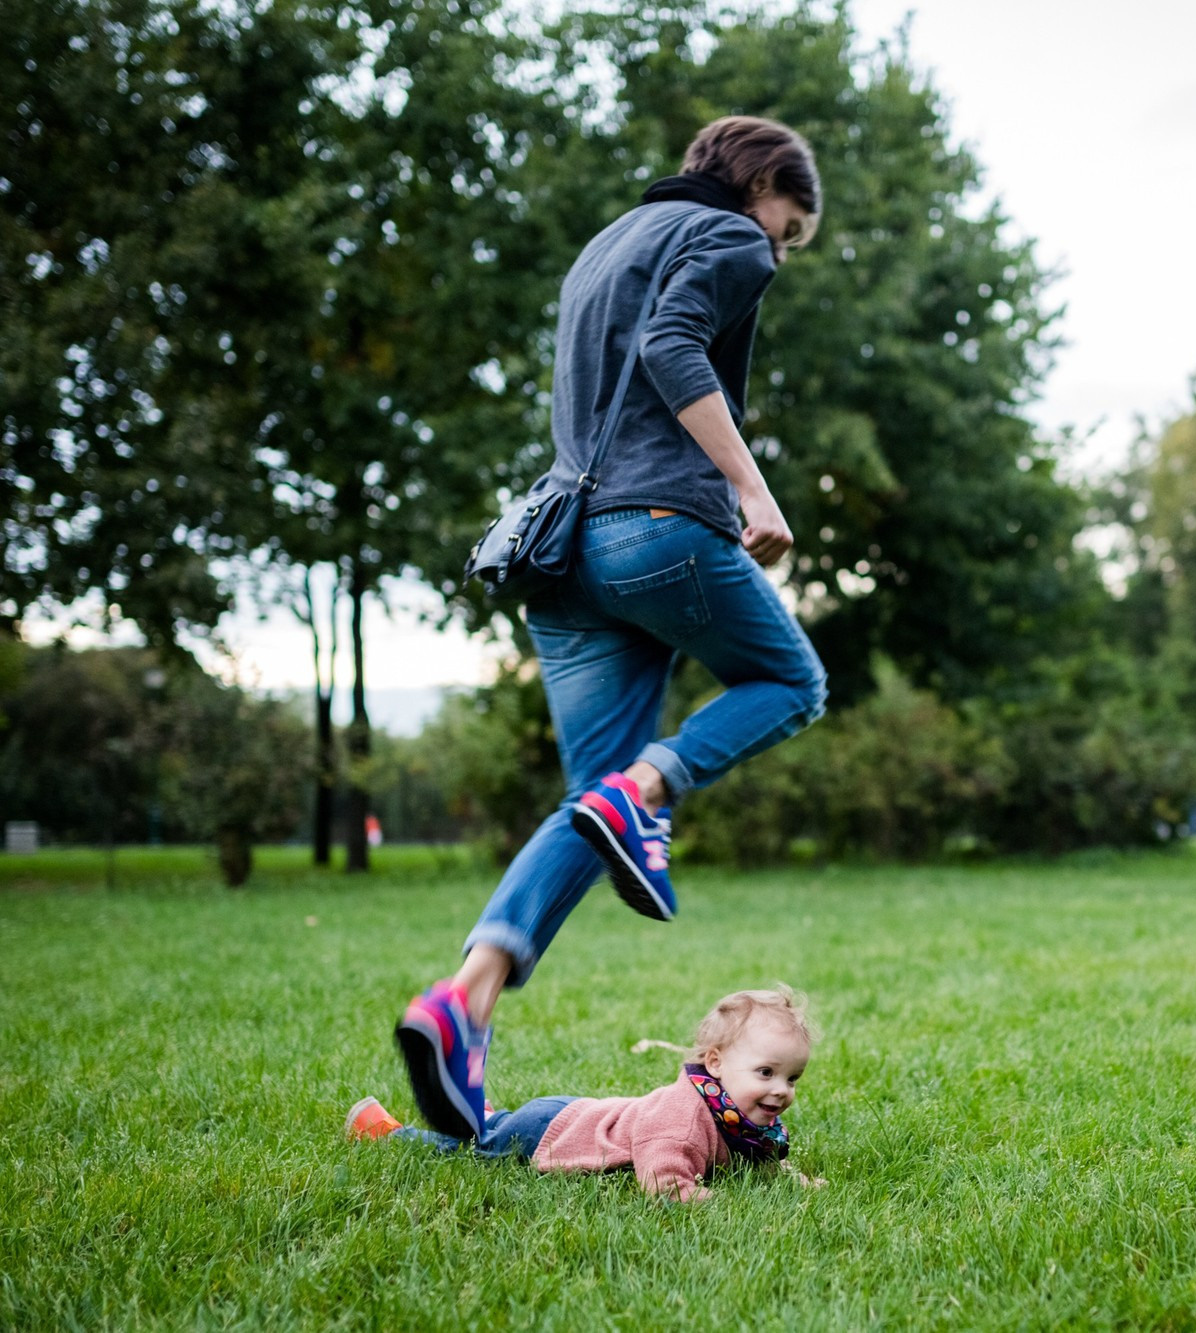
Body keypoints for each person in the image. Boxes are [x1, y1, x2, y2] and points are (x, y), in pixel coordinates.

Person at [396, 116, 828, 1142]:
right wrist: (749, 484)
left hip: (560, 549)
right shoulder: (727, 239)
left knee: (590, 814)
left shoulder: (606, 244)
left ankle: (465, 1000)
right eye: (791, 226)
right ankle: (649, 789)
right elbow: (672, 348)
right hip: (655, 529)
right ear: (763, 185)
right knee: (789, 683)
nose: (780, 251)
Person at [354, 989, 821, 1201]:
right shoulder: (683, 1118)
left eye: (791, 1078)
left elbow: (756, 1154)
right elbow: (662, 1180)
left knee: (494, 1129)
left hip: (576, 1114)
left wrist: (787, 1178)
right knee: (476, 1149)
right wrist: (697, 1199)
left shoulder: (738, 1115)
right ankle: (388, 1133)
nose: (780, 1090)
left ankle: (491, 1116)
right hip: (550, 1134)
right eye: (766, 1073)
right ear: (715, 1064)